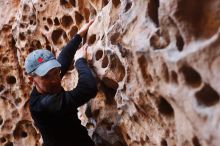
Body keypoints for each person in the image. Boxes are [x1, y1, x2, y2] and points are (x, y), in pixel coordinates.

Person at [24, 20, 98, 146]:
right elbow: (88, 89)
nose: (55, 79)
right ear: (32, 80)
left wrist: (78, 36)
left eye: (56, 72)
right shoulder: (43, 104)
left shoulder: (49, 82)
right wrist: (80, 61)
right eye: (46, 76)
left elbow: (63, 58)